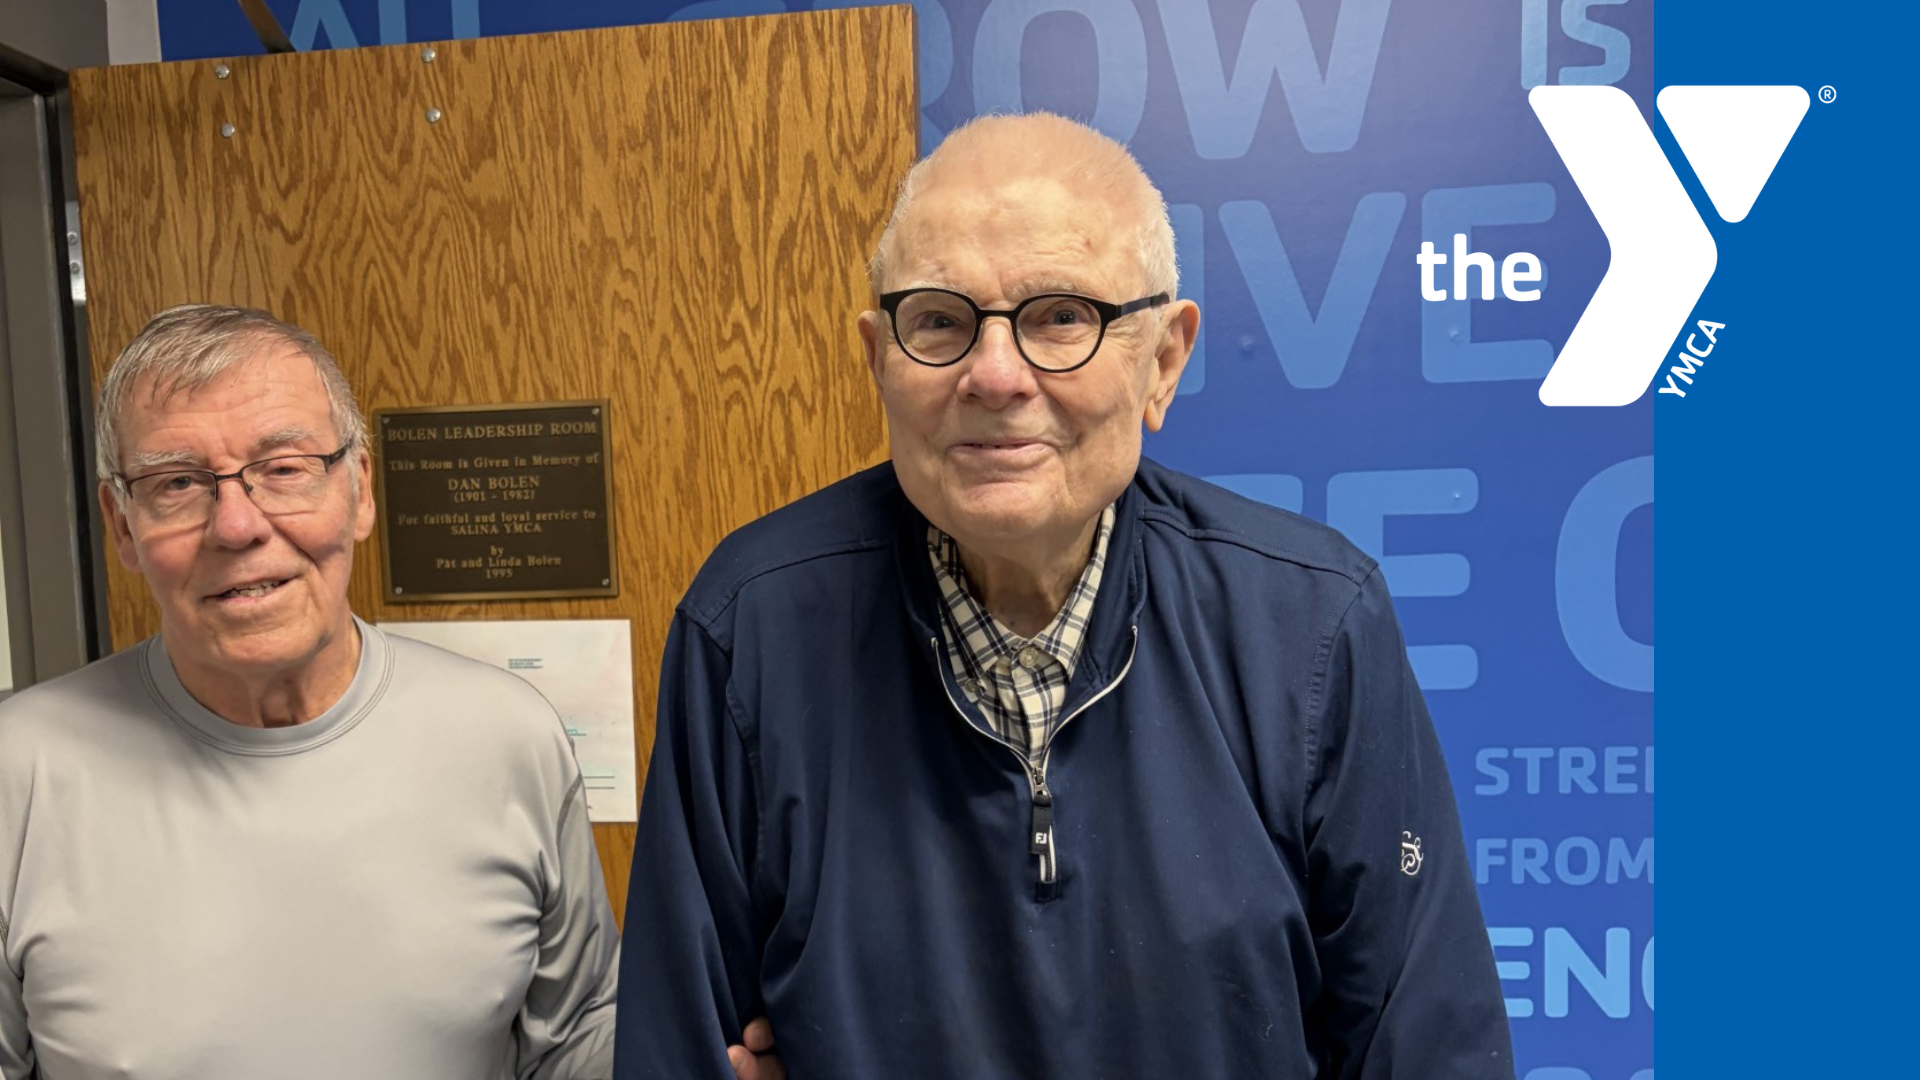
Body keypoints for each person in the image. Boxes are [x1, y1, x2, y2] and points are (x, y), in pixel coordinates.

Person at [613, 113, 1514, 1079]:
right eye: (939, 321)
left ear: (1163, 360)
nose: (994, 375)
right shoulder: (750, 629)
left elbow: (1425, 1049)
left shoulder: (1310, 626)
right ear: (880, 359)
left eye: (1061, 317)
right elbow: (680, 1047)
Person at [0, 306, 776, 1080]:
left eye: (284, 468)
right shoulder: (21, 771)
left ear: (360, 490)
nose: (237, 526)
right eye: (177, 484)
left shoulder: (503, 737)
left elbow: (569, 1042)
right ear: (123, 526)